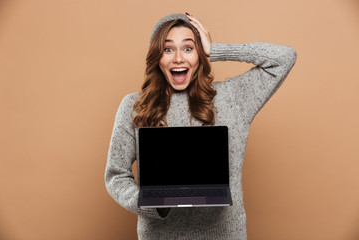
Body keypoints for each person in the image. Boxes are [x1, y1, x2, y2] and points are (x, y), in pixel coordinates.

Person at [105, 13, 296, 240]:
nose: (178, 58)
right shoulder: (134, 106)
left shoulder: (233, 98)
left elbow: (285, 57)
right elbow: (116, 176)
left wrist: (215, 51)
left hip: (224, 234)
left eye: (188, 48)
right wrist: (150, 204)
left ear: (200, 54)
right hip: (160, 235)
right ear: (157, 57)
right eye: (168, 49)